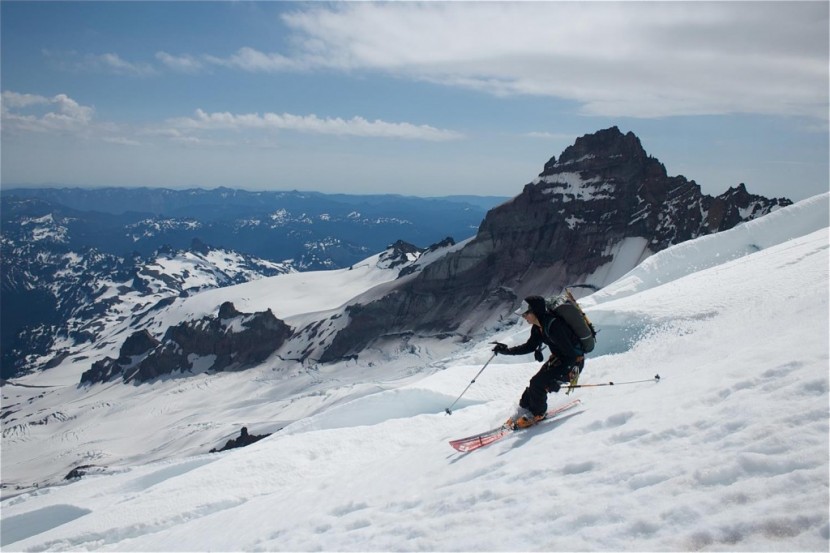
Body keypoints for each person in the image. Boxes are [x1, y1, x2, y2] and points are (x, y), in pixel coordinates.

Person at [493, 295, 585, 428]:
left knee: (538, 383)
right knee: (534, 383)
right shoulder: (538, 327)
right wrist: (506, 350)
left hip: (573, 363)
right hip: (559, 360)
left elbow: (571, 354)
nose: (524, 316)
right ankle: (524, 410)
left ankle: (537, 414)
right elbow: (529, 346)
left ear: (535, 311)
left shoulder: (554, 326)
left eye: (526, 313)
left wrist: (559, 378)